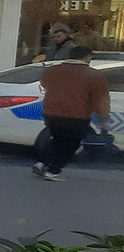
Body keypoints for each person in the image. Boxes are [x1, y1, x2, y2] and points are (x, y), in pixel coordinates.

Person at [32, 46, 111, 181]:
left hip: (51, 112)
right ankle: (53, 171)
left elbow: (44, 84)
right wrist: (104, 118)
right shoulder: (94, 75)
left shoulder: (52, 71)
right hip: (77, 115)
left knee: (58, 140)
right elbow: (100, 99)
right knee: (70, 145)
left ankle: (41, 163)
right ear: (87, 57)